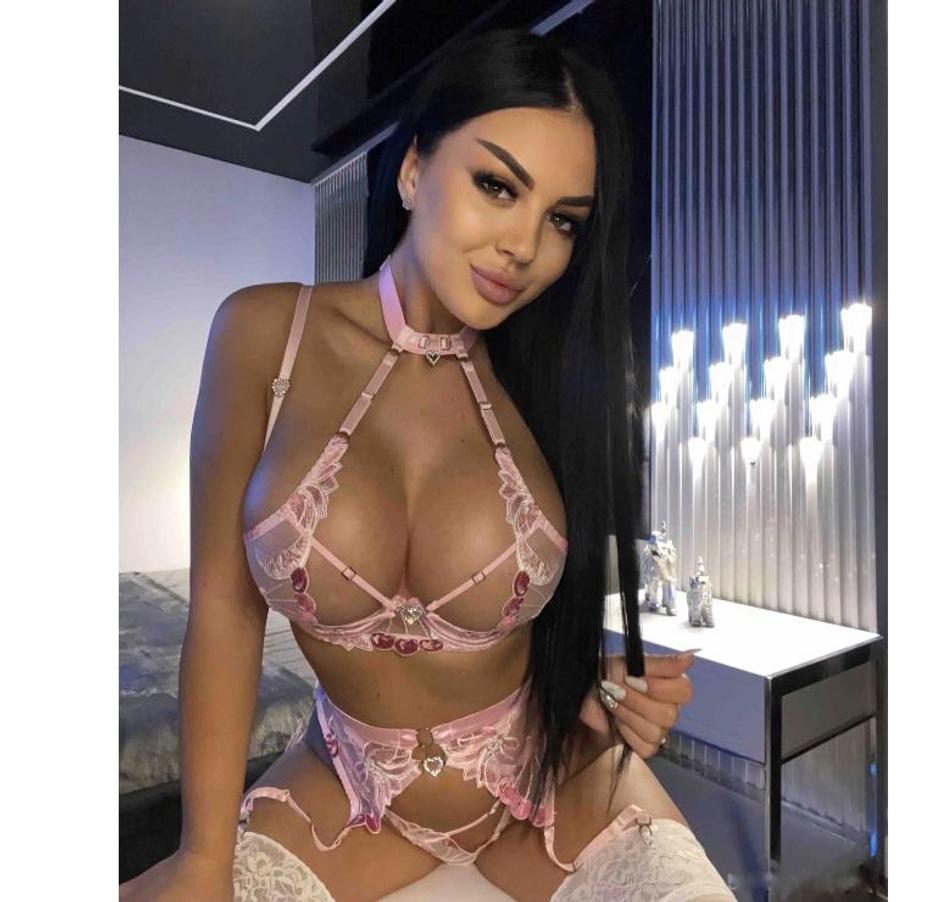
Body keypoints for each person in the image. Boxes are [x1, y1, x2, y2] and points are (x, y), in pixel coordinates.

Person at [120, 28, 736, 901]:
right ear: (413, 170)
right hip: (341, 803)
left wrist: (595, 690)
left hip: (555, 792)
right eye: (497, 186)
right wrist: (202, 856)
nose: (524, 245)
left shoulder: (549, 385)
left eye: (562, 220)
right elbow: (223, 608)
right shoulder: (266, 333)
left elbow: (548, 617)